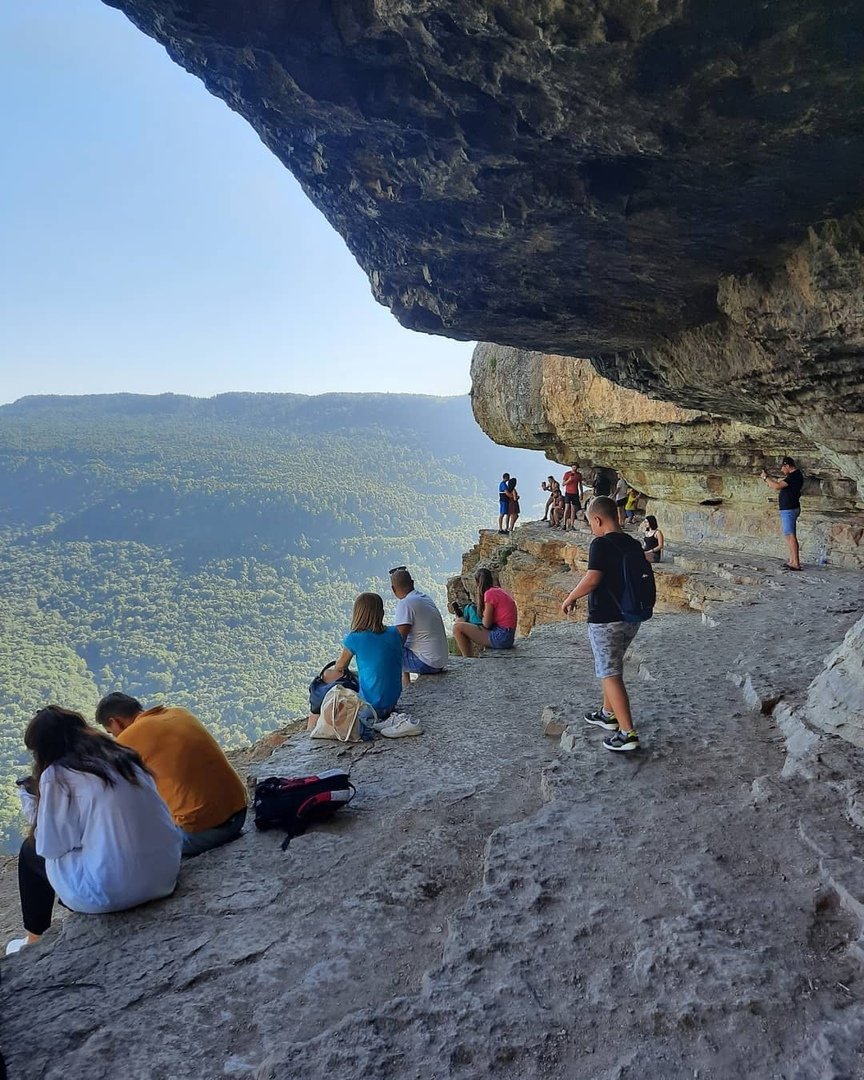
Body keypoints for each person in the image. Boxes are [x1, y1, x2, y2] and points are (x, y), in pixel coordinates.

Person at [6, 705, 181, 955]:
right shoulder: (122, 756)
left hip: (117, 890)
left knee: (30, 851)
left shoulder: (57, 775)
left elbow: (50, 846)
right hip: (165, 872)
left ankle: (33, 941)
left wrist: (34, 805)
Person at [96, 694, 248, 858]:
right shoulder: (180, 712)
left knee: (126, 841)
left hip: (201, 834)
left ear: (115, 722)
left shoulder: (127, 739)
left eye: (111, 732)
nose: (115, 737)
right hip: (240, 814)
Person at [560, 496, 643, 752]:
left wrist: (571, 596)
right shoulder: (632, 543)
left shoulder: (601, 544)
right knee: (610, 664)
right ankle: (608, 713)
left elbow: (593, 578)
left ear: (597, 519)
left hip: (606, 618)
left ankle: (627, 733)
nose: (592, 528)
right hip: (630, 617)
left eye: (590, 523)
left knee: (609, 673)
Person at [330, 592, 403, 722]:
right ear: (381, 612)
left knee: (330, 677)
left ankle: (314, 727)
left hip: (371, 708)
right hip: (392, 702)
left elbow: (339, 667)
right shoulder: (394, 632)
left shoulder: (354, 638)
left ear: (358, 613)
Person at [390, 567, 448, 688]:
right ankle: (406, 685)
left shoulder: (405, 603)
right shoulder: (424, 598)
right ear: (412, 583)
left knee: (387, 651)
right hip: (440, 660)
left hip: (428, 663)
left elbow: (398, 640)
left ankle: (398, 691)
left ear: (393, 589)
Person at [452, 568, 518, 657]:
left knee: (457, 627)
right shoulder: (498, 590)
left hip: (502, 637)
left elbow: (486, 624)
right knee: (461, 623)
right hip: (507, 635)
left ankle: (467, 660)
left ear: (477, 583)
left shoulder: (489, 594)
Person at [760, 456, 804, 571]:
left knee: (790, 536)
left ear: (787, 466)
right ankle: (792, 561)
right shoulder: (794, 476)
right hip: (789, 508)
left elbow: (777, 486)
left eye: (782, 467)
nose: (781, 470)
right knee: (788, 535)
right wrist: (768, 480)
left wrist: (765, 478)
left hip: (789, 509)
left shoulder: (794, 476)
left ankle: (796, 563)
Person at [561, 463, 582, 530]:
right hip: (568, 493)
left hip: (575, 493)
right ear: (571, 467)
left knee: (573, 509)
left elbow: (580, 484)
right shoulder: (567, 474)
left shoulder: (579, 475)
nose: (574, 469)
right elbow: (563, 484)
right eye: (573, 467)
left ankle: (572, 525)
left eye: (575, 467)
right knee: (567, 508)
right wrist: (569, 480)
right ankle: (564, 524)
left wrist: (581, 493)